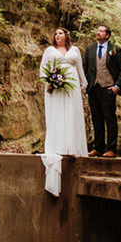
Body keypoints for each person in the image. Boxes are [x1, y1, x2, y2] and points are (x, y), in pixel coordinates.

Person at [39, 27, 88, 195]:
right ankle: (58, 145)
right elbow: (42, 70)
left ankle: (72, 146)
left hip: (72, 86)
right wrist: (51, 81)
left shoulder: (75, 50)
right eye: (56, 33)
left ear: (66, 35)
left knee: (72, 115)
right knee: (58, 115)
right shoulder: (49, 50)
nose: (58, 35)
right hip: (56, 87)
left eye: (61, 33)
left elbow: (80, 69)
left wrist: (83, 85)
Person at [82, 24, 121, 158]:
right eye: (98, 31)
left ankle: (111, 148)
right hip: (93, 89)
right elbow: (85, 69)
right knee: (96, 119)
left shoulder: (115, 49)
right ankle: (98, 148)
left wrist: (116, 86)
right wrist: (85, 86)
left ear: (107, 35)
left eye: (101, 31)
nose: (98, 33)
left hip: (108, 89)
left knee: (110, 119)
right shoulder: (90, 49)